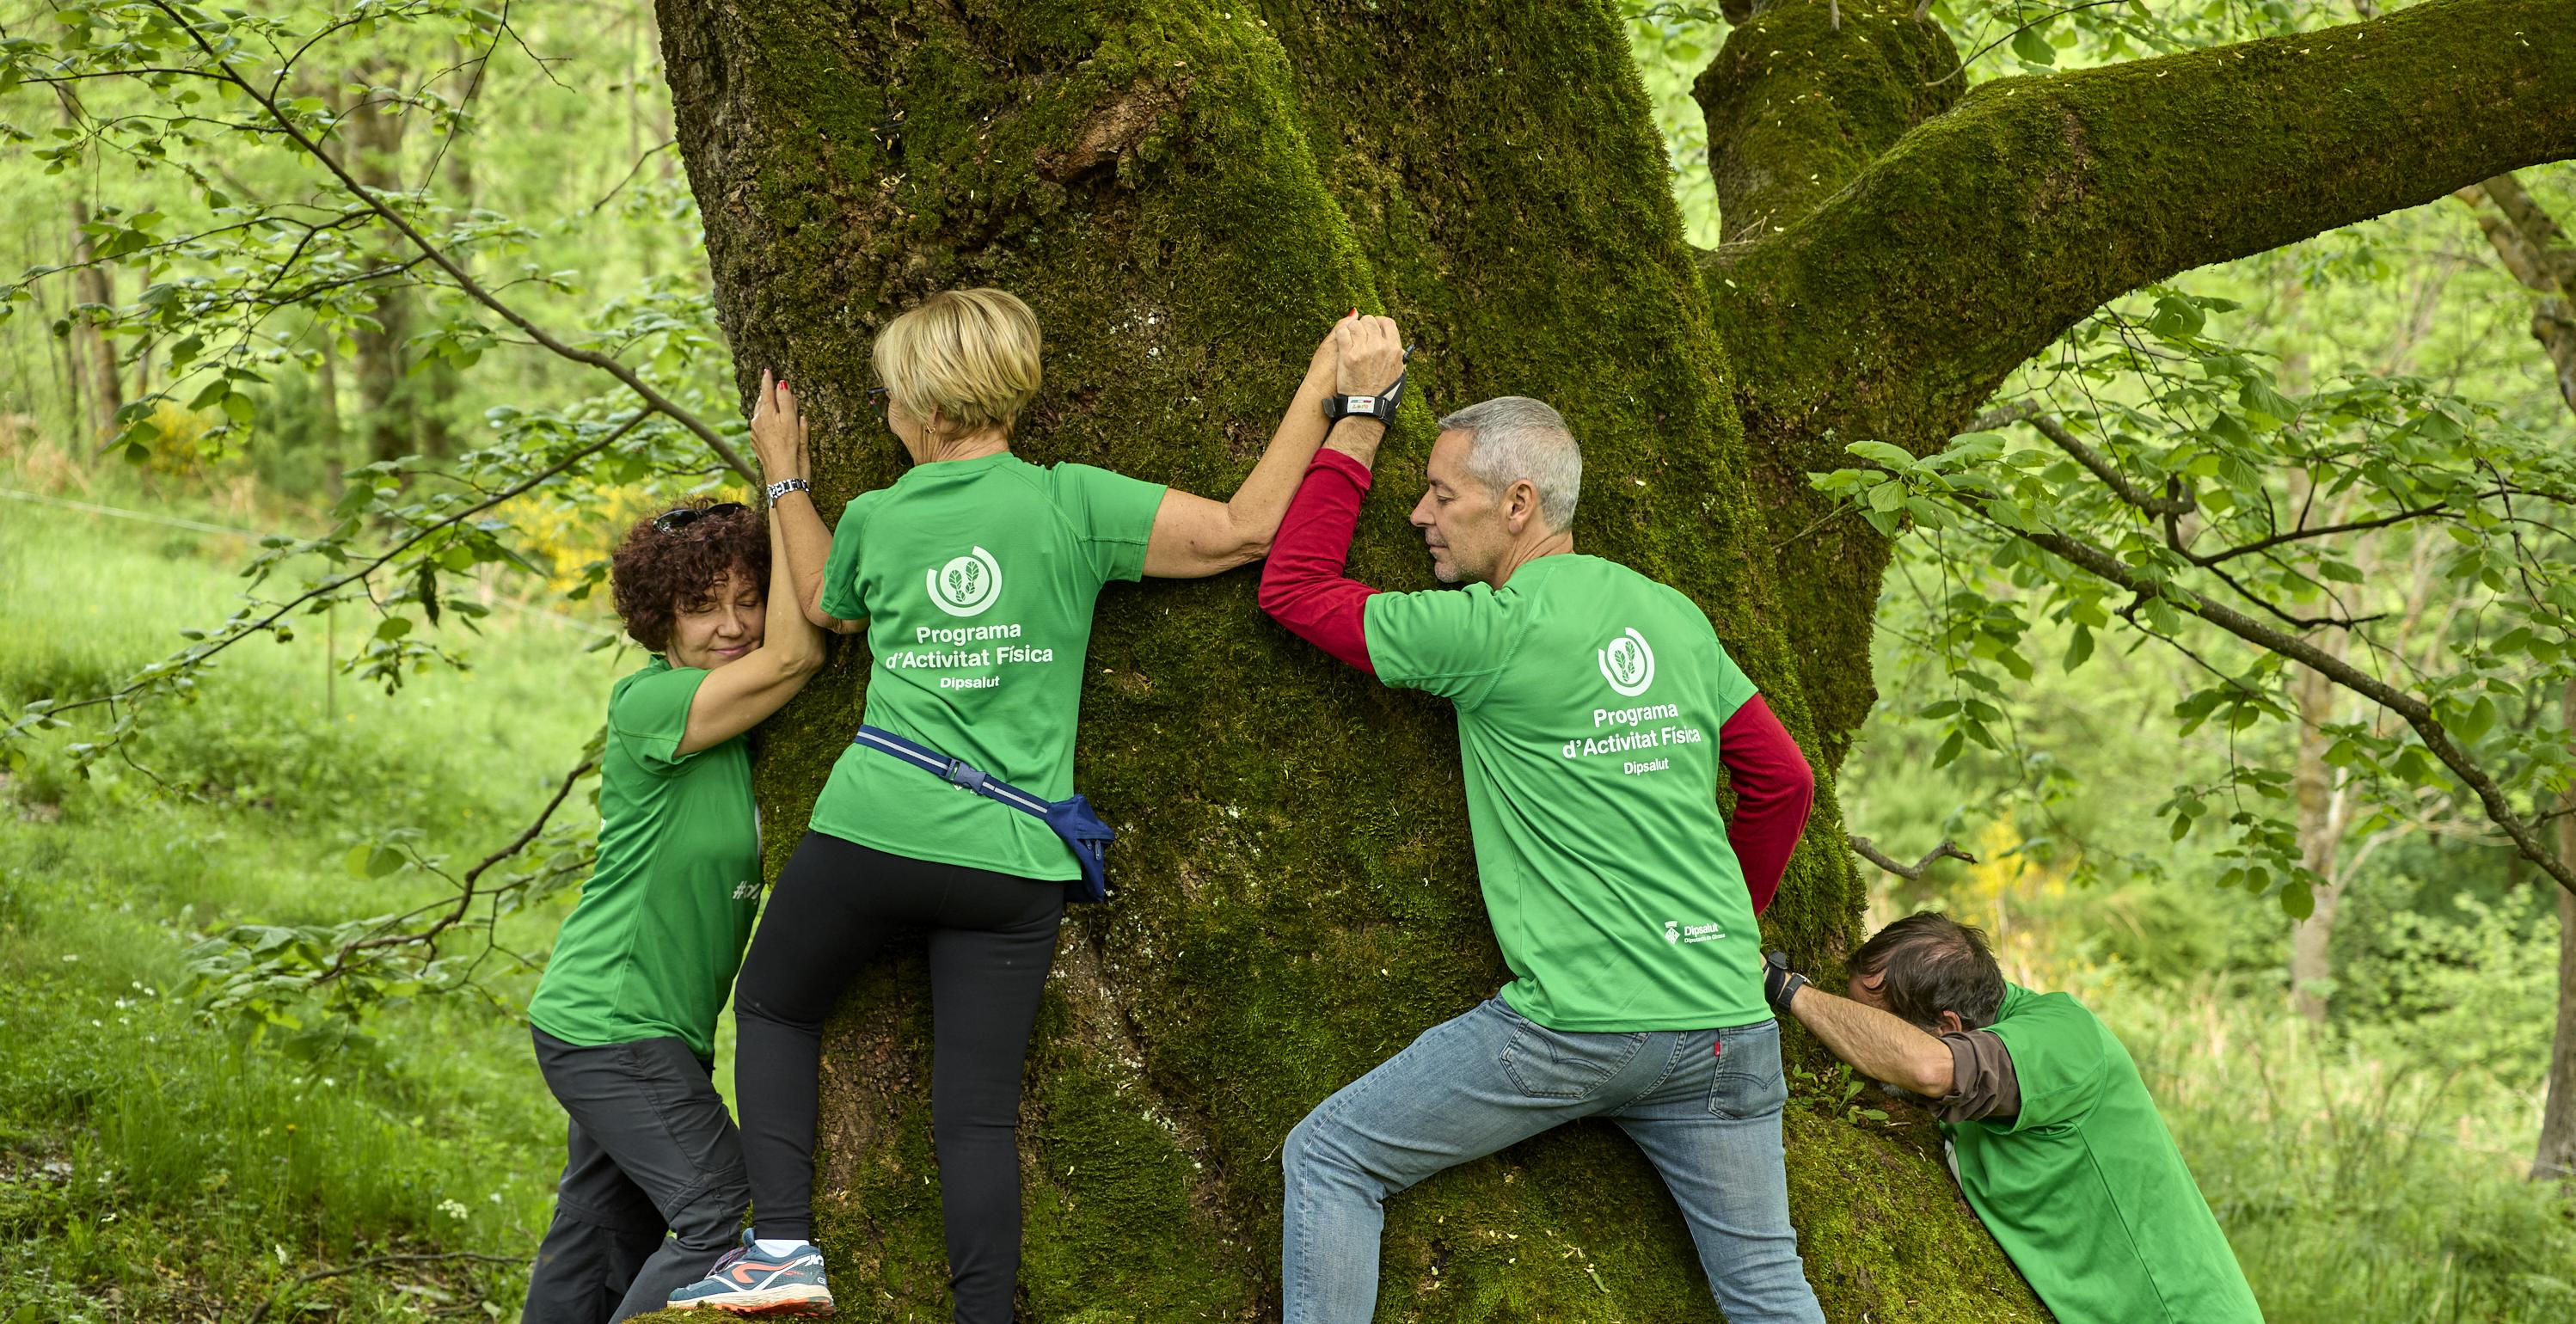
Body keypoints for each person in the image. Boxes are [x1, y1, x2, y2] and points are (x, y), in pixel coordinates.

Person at [668, 289, 1401, 1318]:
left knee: (777, 1004)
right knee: (972, 1118)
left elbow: (826, 601)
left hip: (874, 828)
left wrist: (785, 474)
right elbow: (1245, 529)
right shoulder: (1070, 503)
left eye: (887, 394)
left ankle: (783, 1247)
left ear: (922, 410)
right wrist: (1327, 386)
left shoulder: (879, 516)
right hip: (1013, 858)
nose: (883, 411)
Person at [1256, 394, 1826, 1323]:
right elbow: (1783, 780)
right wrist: (1728, 931)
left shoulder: (1490, 631)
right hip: (1727, 1023)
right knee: (1766, 1284)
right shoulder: (1668, 615)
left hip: (1577, 1029)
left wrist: (1356, 419)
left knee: (1330, 1155)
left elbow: (1294, 588)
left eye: (1441, 494)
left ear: (1516, 503)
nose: (1419, 517)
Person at [521, 449, 827, 1321]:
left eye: (745, 598)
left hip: (646, 1031)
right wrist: (784, 485)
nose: (729, 625)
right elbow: (793, 657)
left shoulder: (742, 734)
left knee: (595, 1230)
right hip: (613, 1023)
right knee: (722, 1221)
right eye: (700, 607)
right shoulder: (652, 704)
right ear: (660, 622)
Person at [1761, 913, 2263, 1324]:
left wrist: (1788, 991)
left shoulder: (2063, 1040)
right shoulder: (1990, 1027)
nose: (1856, 1039)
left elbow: (1931, 1068)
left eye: (1873, 1023)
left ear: (1948, 1027)